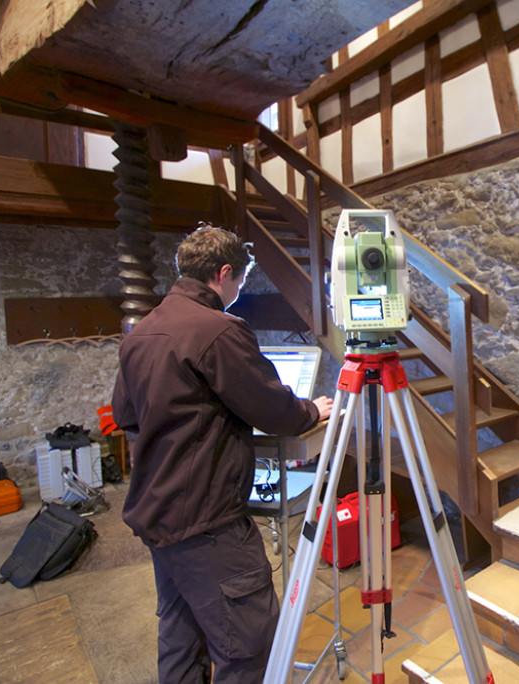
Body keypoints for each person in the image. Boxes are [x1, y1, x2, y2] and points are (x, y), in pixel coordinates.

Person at [111, 224, 334, 683]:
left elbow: (125, 414)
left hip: (158, 512)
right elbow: (276, 412)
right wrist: (312, 408)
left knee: (181, 637)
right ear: (225, 273)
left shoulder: (142, 332)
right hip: (206, 520)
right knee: (248, 647)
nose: (237, 291)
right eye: (239, 281)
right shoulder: (219, 330)